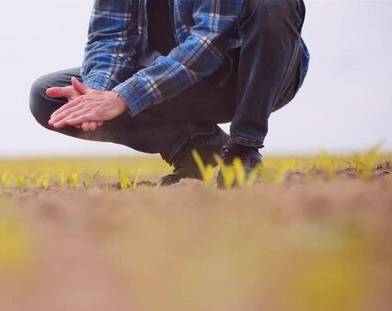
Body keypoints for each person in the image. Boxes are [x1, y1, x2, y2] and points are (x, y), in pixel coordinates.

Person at [30, 0, 309, 186]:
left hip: (250, 73)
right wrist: (95, 92)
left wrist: (124, 96)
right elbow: (111, 39)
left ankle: (244, 149)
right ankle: (199, 147)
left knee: (273, 5)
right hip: (176, 82)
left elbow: (210, 40)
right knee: (49, 96)